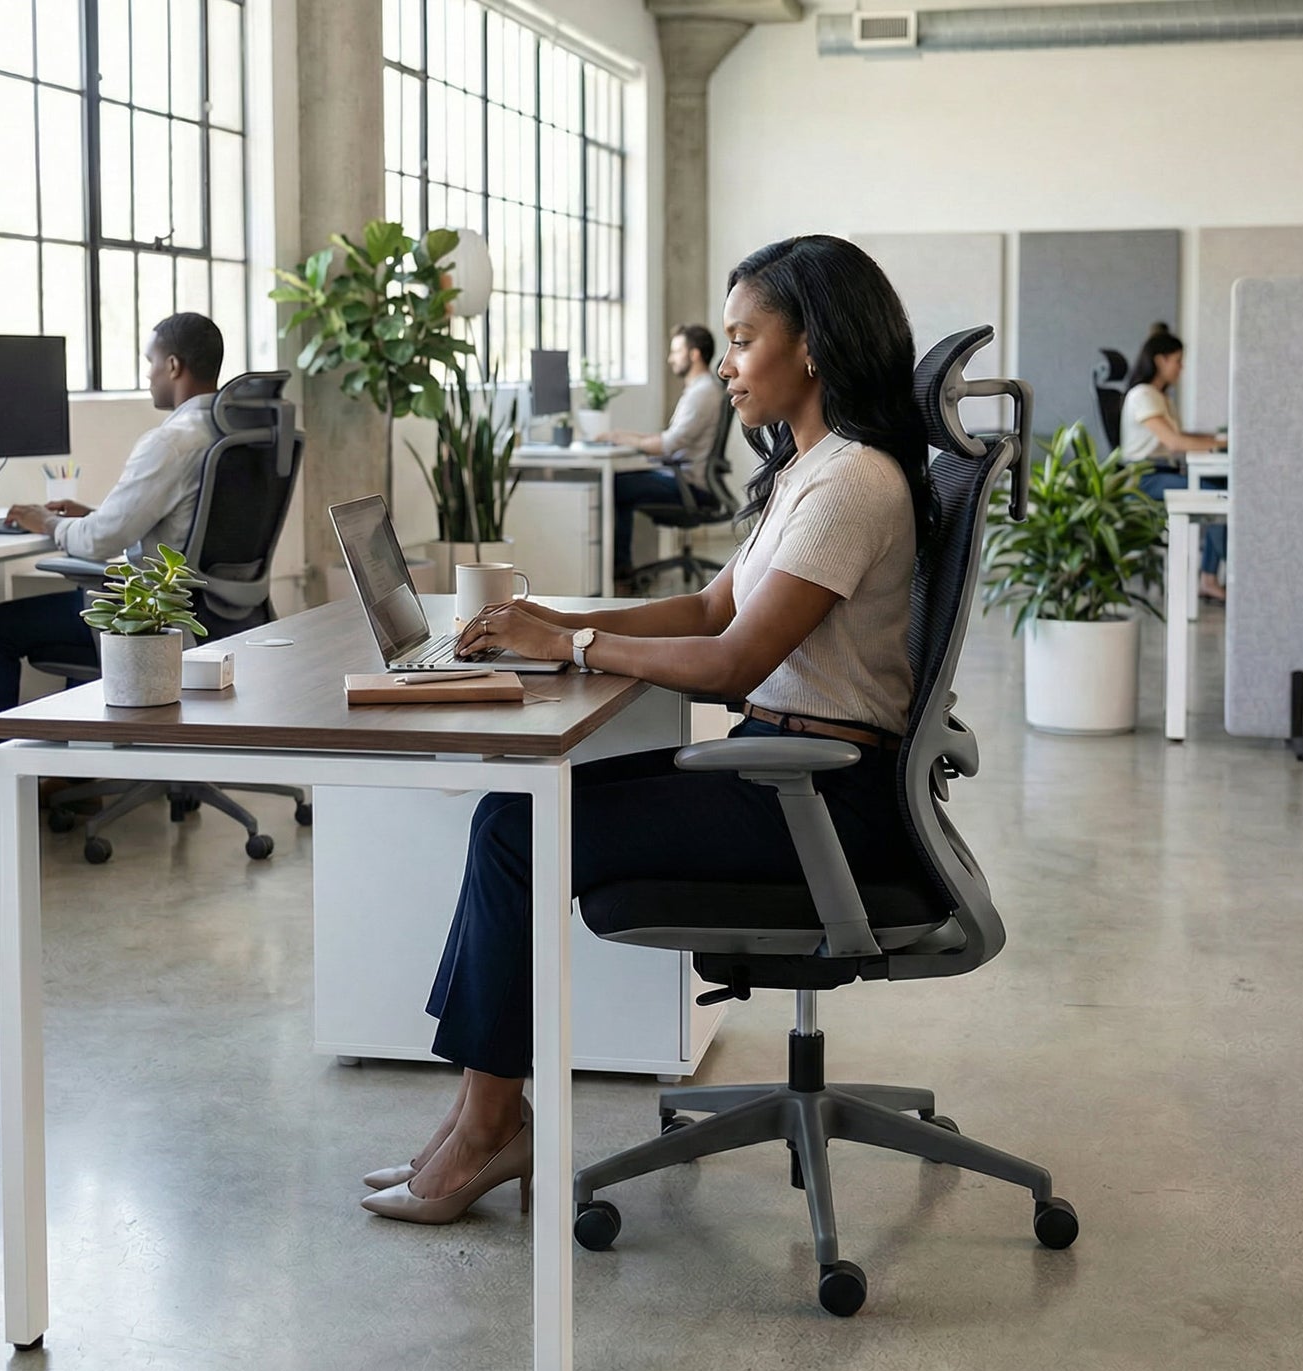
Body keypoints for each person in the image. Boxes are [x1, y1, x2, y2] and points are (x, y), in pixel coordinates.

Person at [358, 235, 934, 1224]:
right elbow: (711, 610)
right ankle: (475, 1118)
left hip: (821, 804)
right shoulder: (808, 468)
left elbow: (730, 663)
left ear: (814, 347)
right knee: (516, 810)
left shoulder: (852, 482)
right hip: (790, 775)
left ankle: (486, 1126)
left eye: (744, 340)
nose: (723, 365)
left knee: (512, 828)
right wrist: (553, 630)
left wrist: (575, 644)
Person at [0, 313, 225, 841]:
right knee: (75, 592)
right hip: (201, 608)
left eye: (150, 363)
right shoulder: (223, 428)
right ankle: (79, 776)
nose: (147, 375)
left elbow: (100, 542)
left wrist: (47, 521)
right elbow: (174, 522)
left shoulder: (170, 441)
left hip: (147, 623)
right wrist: (91, 513)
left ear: (173, 365)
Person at [596, 323, 724, 584]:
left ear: (694, 354)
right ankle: (624, 568)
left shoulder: (702, 393)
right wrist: (628, 436)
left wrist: (625, 439)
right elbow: (670, 438)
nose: (670, 358)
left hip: (689, 484)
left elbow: (668, 445)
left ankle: (621, 572)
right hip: (684, 477)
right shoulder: (701, 390)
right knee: (625, 484)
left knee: (616, 486)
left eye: (676, 351)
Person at [1120, 323, 1229, 602]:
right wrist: (1221, 444)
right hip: (1145, 478)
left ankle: (1208, 578)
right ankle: (1214, 576)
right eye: (1178, 361)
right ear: (1161, 360)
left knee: (1219, 486)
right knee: (1218, 494)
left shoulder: (1160, 397)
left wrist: (1215, 438)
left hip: (1161, 472)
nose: (1181, 368)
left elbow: (1180, 436)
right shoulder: (1143, 395)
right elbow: (1174, 443)